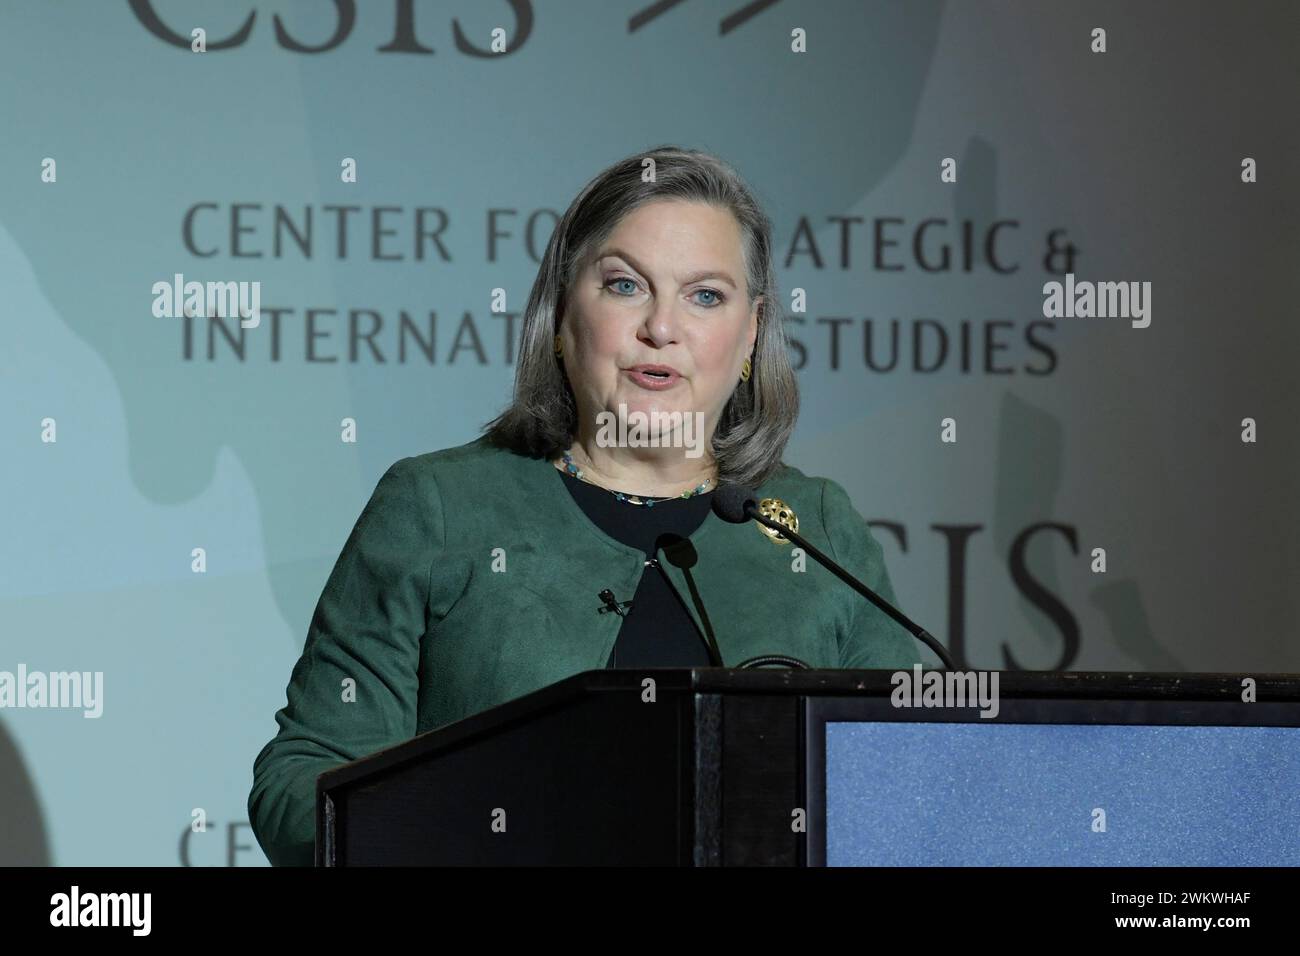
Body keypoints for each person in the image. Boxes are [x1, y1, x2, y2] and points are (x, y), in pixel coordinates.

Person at [247, 145, 922, 866]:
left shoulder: (815, 526)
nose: (661, 328)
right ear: (562, 315)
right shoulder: (438, 506)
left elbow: (915, 783)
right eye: (627, 285)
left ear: (751, 332)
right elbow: (304, 781)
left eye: (705, 296)